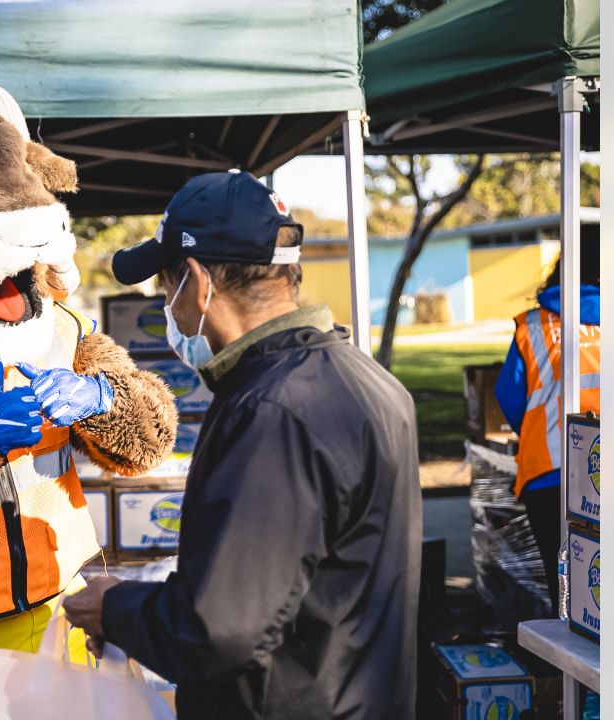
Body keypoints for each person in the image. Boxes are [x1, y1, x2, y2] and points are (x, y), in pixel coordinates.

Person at [63, 171, 422, 720]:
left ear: (200, 282)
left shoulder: (272, 411)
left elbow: (219, 630)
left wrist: (116, 609)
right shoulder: (363, 378)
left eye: (166, 282)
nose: (167, 304)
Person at [494, 241, 600, 609]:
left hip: (548, 471)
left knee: (567, 591)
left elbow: (508, 394)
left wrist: (540, 433)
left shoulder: (534, 325)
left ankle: (568, 668)